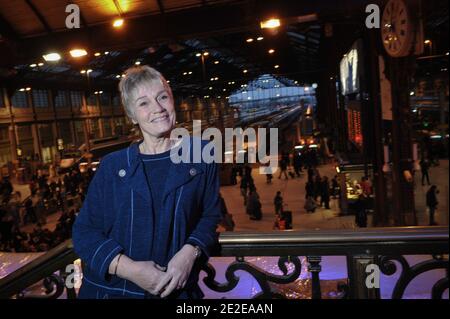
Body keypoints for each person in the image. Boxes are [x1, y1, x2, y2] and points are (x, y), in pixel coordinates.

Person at [72, 65, 222, 299]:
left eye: (162, 97)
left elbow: (211, 214)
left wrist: (190, 252)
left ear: (173, 101)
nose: (158, 109)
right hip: (114, 292)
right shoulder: (113, 166)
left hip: (176, 293)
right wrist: (130, 270)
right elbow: (84, 231)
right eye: (143, 103)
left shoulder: (201, 154)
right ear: (132, 116)